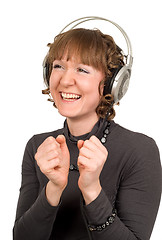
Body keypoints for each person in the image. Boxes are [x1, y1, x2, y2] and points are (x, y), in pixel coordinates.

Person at [13, 26, 161, 240]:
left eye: (82, 69)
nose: (65, 80)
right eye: (58, 66)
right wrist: (53, 188)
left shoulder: (138, 150)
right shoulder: (38, 146)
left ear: (112, 83)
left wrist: (92, 189)